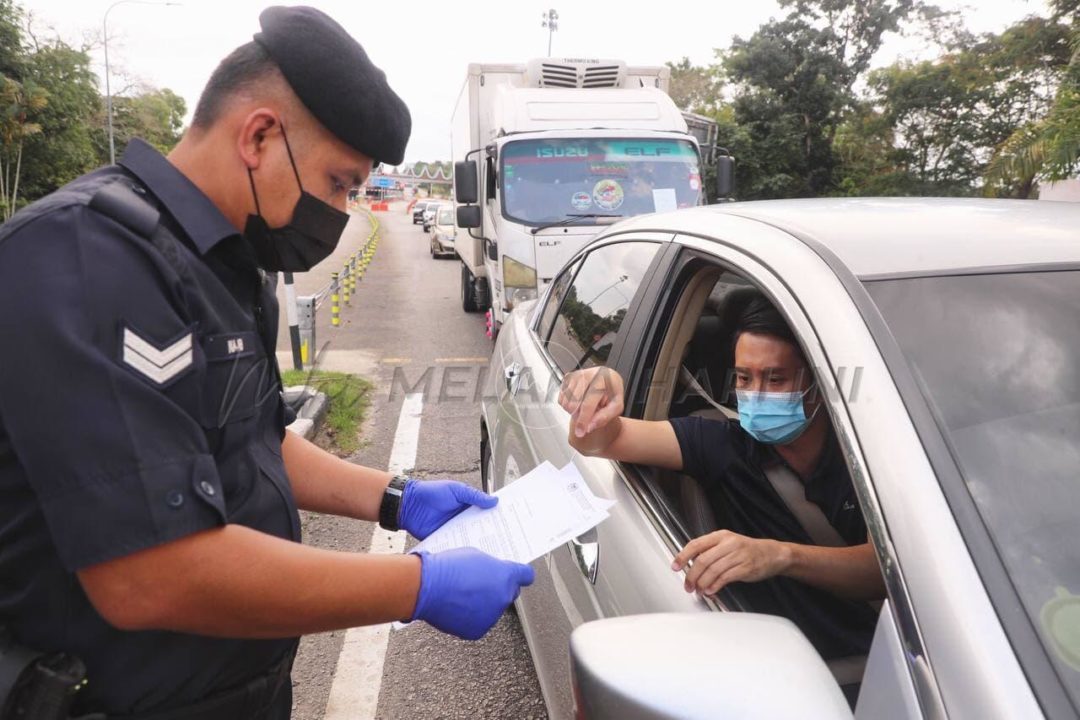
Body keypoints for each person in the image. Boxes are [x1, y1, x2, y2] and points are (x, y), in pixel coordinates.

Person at [0, 7, 532, 719]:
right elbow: (149, 574)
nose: (344, 210)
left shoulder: (223, 265)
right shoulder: (84, 259)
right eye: (340, 184)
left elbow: (256, 439)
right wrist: (414, 586)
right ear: (258, 136)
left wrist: (397, 499)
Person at [558, 295, 883, 662]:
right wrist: (603, 386)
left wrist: (778, 555)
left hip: (884, 666)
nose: (756, 395)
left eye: (776, 379)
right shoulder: (720, 445)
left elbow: (884, 571)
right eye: (744, 378)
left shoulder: (869, 458)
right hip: (783, 669)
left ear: (819, 384)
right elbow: (599, 441)